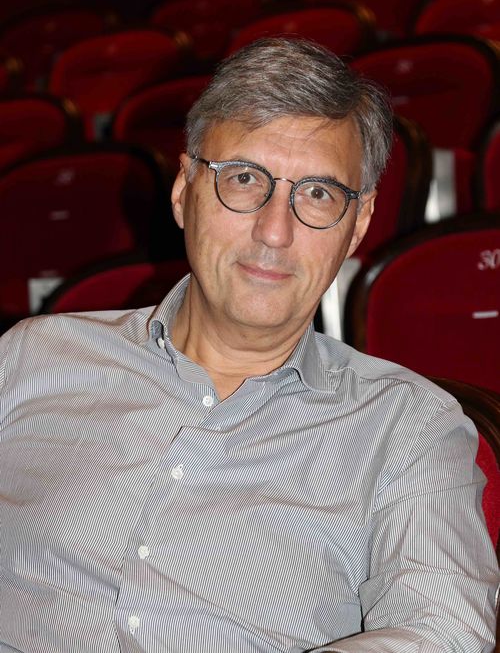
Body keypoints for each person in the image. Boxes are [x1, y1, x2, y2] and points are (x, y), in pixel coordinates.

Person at [0, 38, 497, 653]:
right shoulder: (29, 360)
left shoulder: (409, 426)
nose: (274, 231)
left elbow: (442, 631)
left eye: (318, 193)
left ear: (359, 223)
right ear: (183, 190)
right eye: (243, 179)